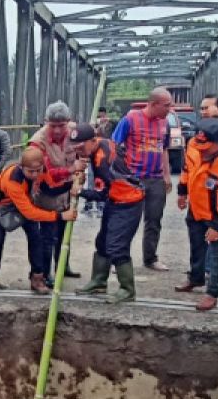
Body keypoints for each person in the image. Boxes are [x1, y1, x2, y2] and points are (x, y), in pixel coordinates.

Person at [0, 148, 77, 295]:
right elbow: (30, 213)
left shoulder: (42, 170)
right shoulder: (13, 179)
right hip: (0, 205)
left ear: (42, 166)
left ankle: (37, 277)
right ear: (21, 167)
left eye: (38, 171)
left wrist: (71, 185)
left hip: (24, 202)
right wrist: (60, 216)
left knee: (36, 238)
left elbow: (50, 188)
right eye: (30, 172)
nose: (35, 175)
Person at [176, 118, 218, 312]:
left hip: (217, 215)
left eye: (207, 147)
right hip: (196, 209)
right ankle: (195, 278)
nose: (202, 150)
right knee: (196, 246)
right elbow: (186, 169)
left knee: (217, 254)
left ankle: (212, 293)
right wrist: (182, 192)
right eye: (199, 145)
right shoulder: (193, 145)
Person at [74, 123, 144, 303]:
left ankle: (128, 290)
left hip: (128, 202)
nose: (79, 151)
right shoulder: (101, 143)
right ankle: (99, 281)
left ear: (91, 141)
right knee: (103, 241)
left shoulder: (103, 160)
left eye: (81, 147)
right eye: (75, 148)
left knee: (116, 246)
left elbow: (101, 195)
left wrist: (78, 191)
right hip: (116, 199)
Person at [113, 87, 173, 271]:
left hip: (155, 178)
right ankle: (119, 259)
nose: (169, 109)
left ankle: (150, 258)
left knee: (154, 220)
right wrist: (118, 174)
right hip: (133, 178)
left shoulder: (165, 124)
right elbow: (114, 145)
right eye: (166, 105)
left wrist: (167, 175)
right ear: (153, 104)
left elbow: (164, 148)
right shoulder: (130, 119)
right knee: (127, 220)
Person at [28, 101, 81, 279]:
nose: (57, 130)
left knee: (65, 233)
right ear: (45, 121)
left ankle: (63, 267)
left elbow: (82, 157)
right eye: (53, 126)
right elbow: (48, 173)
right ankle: (45, 273)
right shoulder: (37, 142)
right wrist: (72, 170)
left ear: (69, 121)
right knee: (48, 236)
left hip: (67, 193)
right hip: (46, 194)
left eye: (61, 125)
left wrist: (77, 180)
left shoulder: (75, 134)